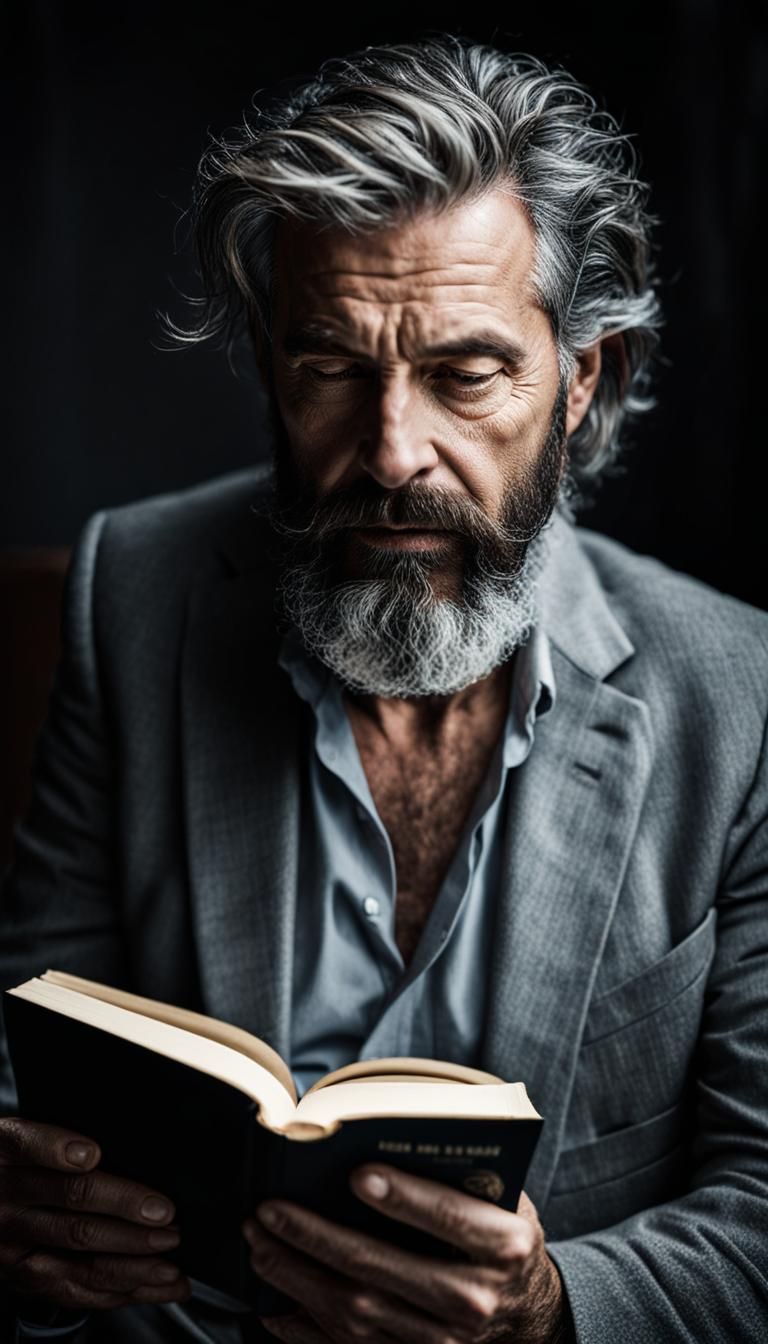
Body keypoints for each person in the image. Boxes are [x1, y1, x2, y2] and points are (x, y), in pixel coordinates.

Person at [1, 31, 767, 1344]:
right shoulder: (133, 593)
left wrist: (553, 1310)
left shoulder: (741, 696)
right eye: (331, 368)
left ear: (583, 382)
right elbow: (28, 1047)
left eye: (464, 373)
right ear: (267, 363)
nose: (391, 451)